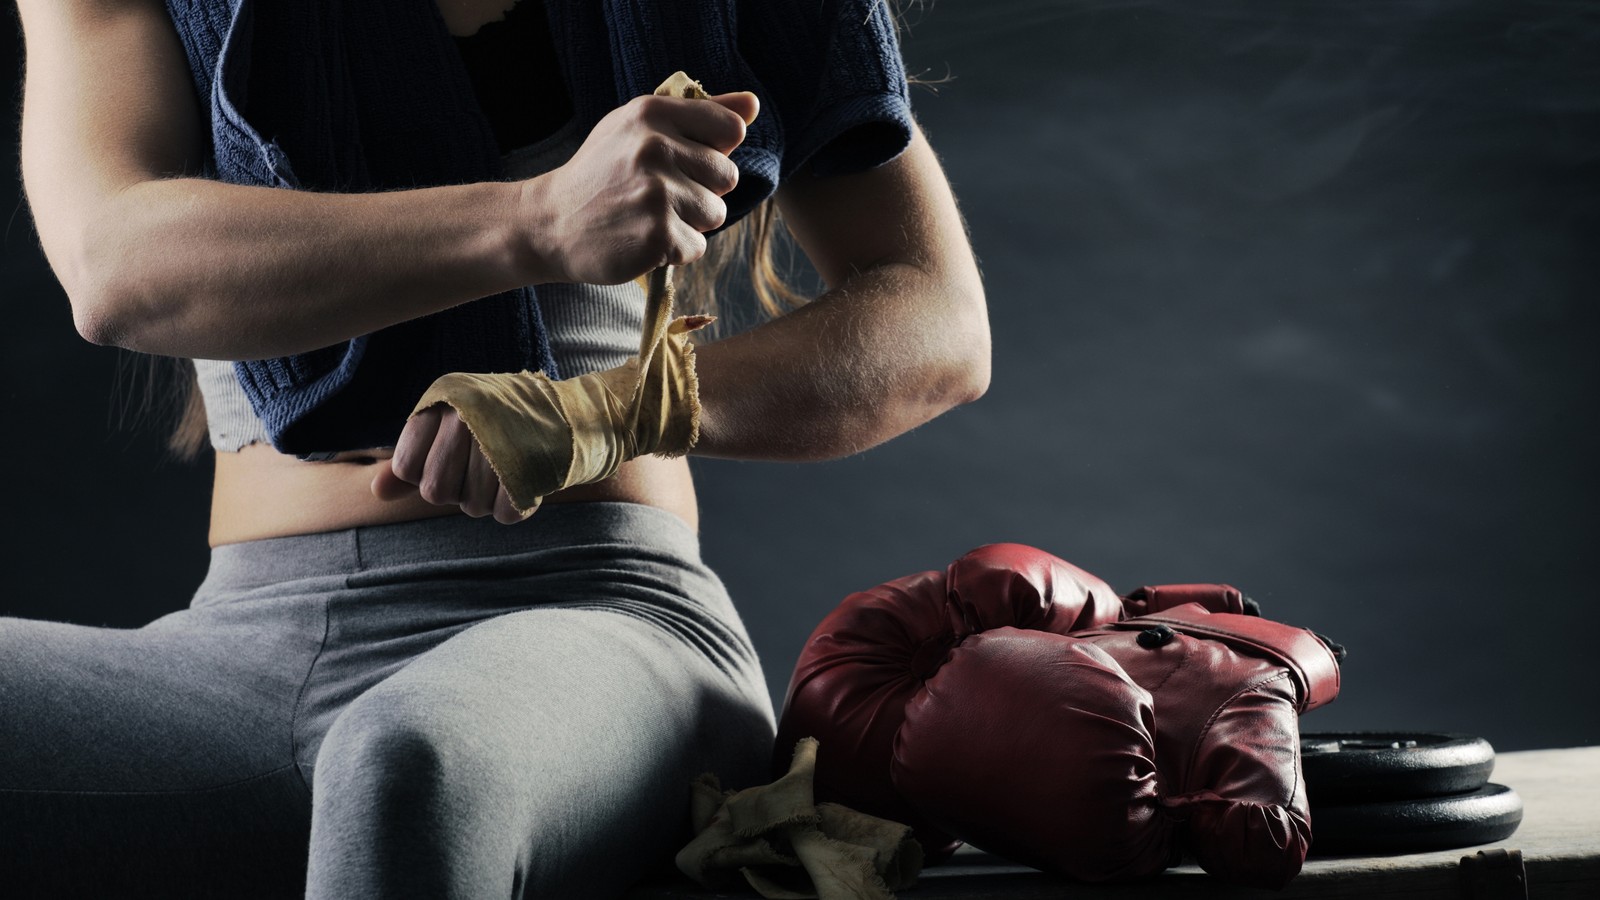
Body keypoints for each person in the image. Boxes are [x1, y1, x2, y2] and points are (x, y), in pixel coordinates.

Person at [2, 0, 989, 896]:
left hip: (597, 614)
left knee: (404, 767)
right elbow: (116, 263)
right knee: (394, 761)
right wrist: (541, 219)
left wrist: (597, 415)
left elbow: (934, 319)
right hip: (237, 652)